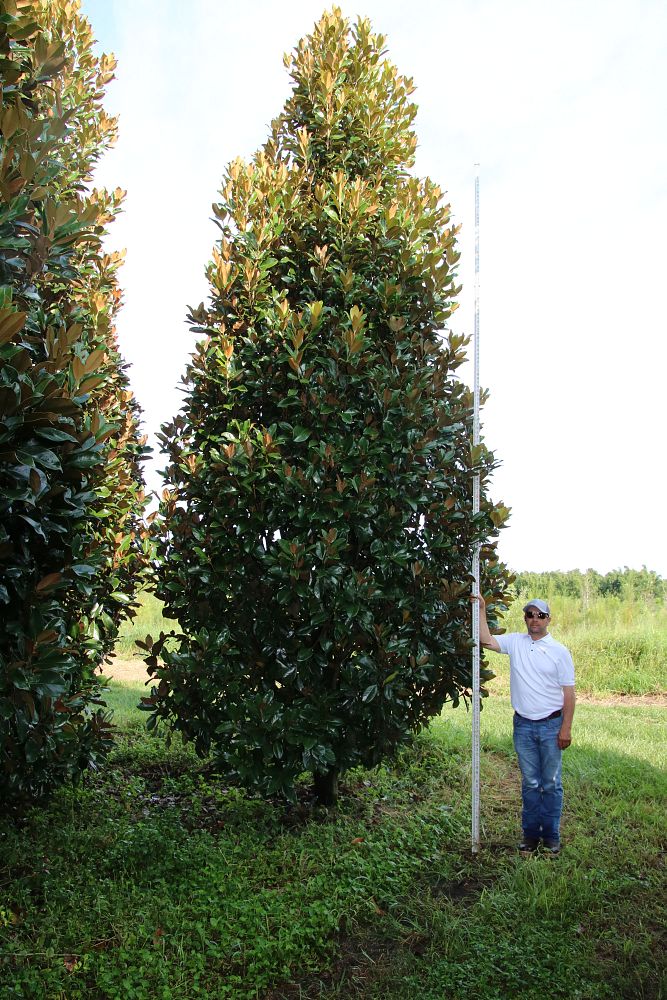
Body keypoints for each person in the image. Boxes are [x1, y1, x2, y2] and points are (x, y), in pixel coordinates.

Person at [476, 595, 576, 856]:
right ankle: (530, 837)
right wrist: (482, 609)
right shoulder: (516, 643)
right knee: (531, 783)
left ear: (548, 619)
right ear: (525, 618)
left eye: (540, 615)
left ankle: (551, 837)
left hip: (551, 726)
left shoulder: (559, 651)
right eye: (530, 614)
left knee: (551, 783)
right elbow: (485, 640)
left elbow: (569, 694)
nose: (535, 619)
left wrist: (565, 729)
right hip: (523, 726)